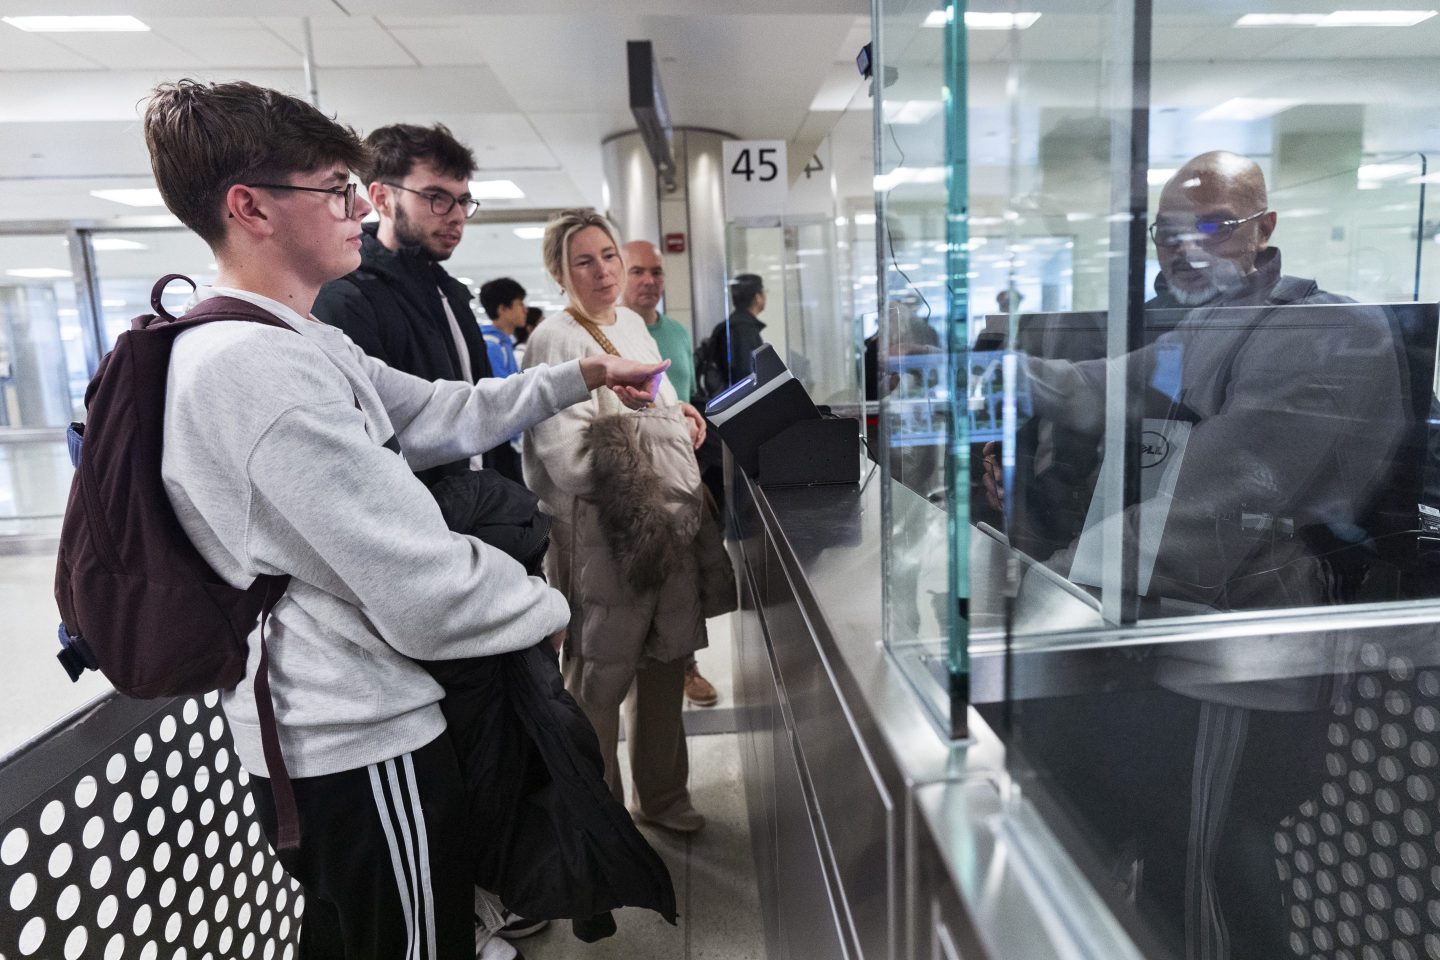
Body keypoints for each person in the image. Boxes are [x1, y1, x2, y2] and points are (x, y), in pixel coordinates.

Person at [144, 79, 668, 960]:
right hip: (350, 727)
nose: (361, 207)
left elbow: (432, 411)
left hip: (366, 705)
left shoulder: (295, 338)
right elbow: (417, 582)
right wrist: (553, 612)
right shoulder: (254, 372)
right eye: (336, 191)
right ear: (250, 208)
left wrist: (580, 377)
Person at [987, 151, 1409, 960]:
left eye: (1211, 226)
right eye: (1165, 233)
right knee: (1174, 845)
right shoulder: (1213, 324)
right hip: (1182, 633)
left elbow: (1215, 500)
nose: (1183, 248)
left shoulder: (1319, 334)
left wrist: (1050, 576)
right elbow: (1103, 385)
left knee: (1208, 859)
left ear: (1265, 229)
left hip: (1244, 658)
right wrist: (1006, 373)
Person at [523, 210, 733, 834]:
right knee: (598, 676)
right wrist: (655, 445)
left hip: (664, 525)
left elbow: (655, 405)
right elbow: (566, 458)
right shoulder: (555, 338)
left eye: (608, 255)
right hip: (598, 536)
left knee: (666, 662)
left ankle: (663, 796)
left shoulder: (636, 326)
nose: (603, 271)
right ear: (558, 271)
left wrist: (683, 417)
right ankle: (601, 816)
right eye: (584, 260)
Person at [312, 123, 524, 485]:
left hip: (481, 519)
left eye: (462, 200)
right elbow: (373, 444)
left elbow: (481, 414)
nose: (456, 215)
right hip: (422, 525)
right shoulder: (347, 299)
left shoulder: (451, 295)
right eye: (436, 197)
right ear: (381, 199)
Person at [621, 239, 720, 709]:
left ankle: (688, 664)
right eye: (637, 271)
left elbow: (688, 392)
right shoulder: (614, 332)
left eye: (656, 272)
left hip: (682, 467)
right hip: (637, 479)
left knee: (688, 580)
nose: (649, 281)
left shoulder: (676, 331)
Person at [478, 277, 527, 380]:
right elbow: (502, 390)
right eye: (520, 304)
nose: (525, 310)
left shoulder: (505, 342)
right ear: (503, 309)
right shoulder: (492, 347)